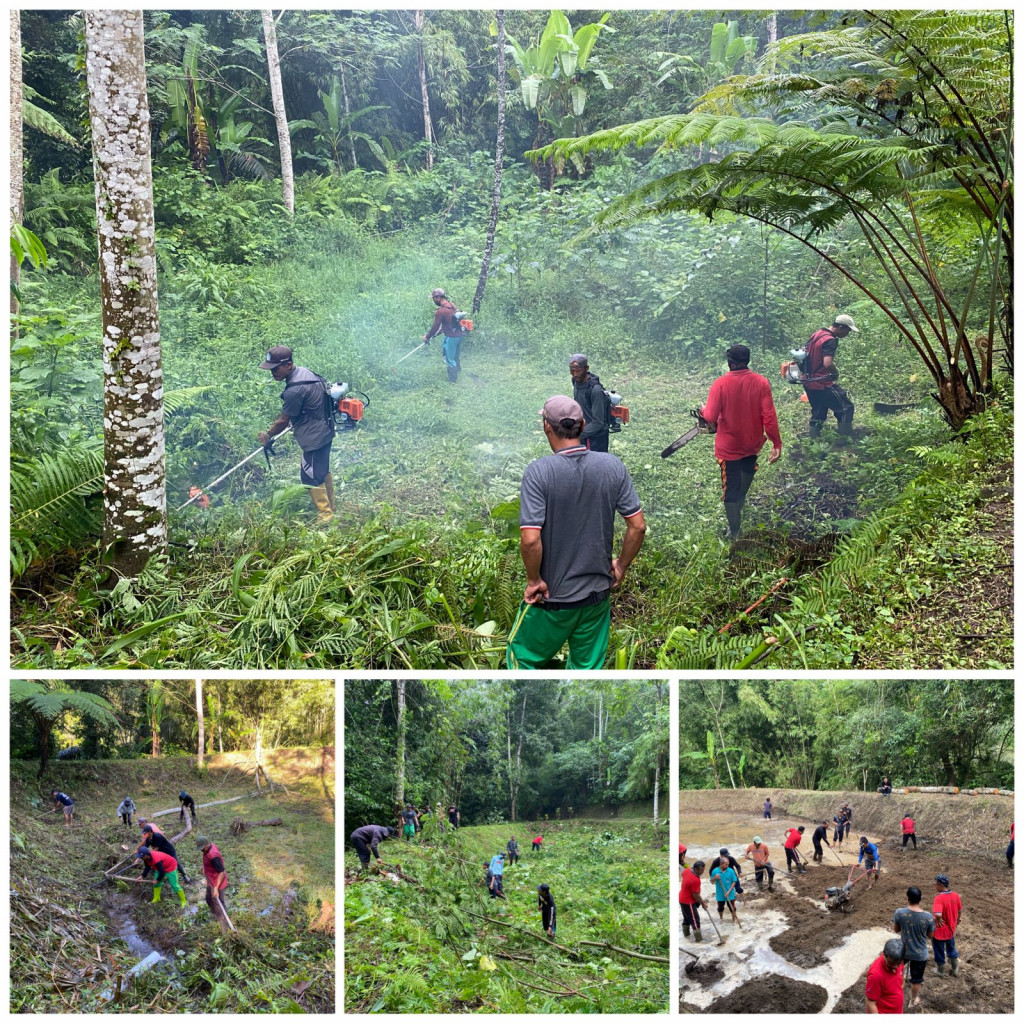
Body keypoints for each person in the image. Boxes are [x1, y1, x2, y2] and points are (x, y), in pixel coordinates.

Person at [506, 395, 646, 670]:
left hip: (552, 600)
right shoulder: (612, 466)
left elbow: (531, 539)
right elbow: (638, 525)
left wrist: (534, 580)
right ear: (582, 425)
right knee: (586, 670)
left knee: (520, 658)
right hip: (596, 598)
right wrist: (622, 565)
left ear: (547, 426)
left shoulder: (539, 472)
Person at [698, 343, 782, 539]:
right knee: (745, 476)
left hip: (730, 448)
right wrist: (776, 443)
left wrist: (702, 410)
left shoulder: (720, 384)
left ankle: (734, 531)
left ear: (729, 363)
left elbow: (710, 416)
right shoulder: (761, 382)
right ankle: (738, 512)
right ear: (747, 361)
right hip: (752, 445)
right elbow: (769, 416)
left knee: (731, 492)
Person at [258, 345, 336, 520]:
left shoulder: (294, 390)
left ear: (288, 365)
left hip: (314, 437)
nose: (273, 373)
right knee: (322, 470)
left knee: (309, 476)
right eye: (271, 369)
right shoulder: (305, 372)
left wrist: (268, 435)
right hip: (325, 429)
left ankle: (326, 517)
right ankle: (332, 507)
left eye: (276, 368)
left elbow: (283, 422)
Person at [801, 314, 857, 438]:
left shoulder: (818, 334)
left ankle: (814, 441)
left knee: (818, 412)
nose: (847, 333)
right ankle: (845, 440)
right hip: (821, 383)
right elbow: (827, 363)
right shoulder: (829, 340)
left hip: (808, 381)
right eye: (847, 330)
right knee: (846, 408)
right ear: (841, 327)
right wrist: (835, 372)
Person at [892, 885, 934, 1008]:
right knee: (917, 980)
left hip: (903, 951)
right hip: (920, 954)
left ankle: (895, 994)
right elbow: (930, 936)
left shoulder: (899, 913)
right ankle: (912, 1001)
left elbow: (896, 930)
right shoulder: (928, 917)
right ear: (920, 899)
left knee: (896, 972)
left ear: (907, 898)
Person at [568, 354, 611, 452]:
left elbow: (598, 422)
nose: (575, 374)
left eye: (578, 370)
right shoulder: (575, 381)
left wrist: (577, 435)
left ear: (586, 368)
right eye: (572, 371)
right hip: (584, 433)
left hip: (596, 439)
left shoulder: (596, 391)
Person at [422, 288, 466, 383]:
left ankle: (453, 380)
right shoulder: (452, 305)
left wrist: (427, 337)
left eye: (433, 298)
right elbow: (450, 322)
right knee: (455, 355)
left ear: (438, 297)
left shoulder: (441, 311)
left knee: (449, 359)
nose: (433, 300)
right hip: (459, 336)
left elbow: (435, 327)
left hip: (451, 337)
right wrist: (438, 332)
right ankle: (458, 370)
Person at [196, 836, 231, 932]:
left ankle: (225, 928)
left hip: (217, 882)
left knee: (219, 905)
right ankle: (215, 914)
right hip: (211, 879)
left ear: (207, 844)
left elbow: (222, 873)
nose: (202, 850)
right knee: (208, 898)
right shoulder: (207, 848)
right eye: (200, 849)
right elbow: (205, 857)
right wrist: (205, 867)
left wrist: (216, 888)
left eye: (203, 848)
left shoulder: (213, 855)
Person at [931, 875, 962, 977]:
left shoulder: (939, 898)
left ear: (940, 885)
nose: (935, 886)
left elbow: (938, 914)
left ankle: (940, 971)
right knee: (951, 948)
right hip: (951, 929)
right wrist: (957, 919)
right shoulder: (955, 895)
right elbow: (959, 909)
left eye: (936, 884)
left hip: (940, 930)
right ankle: (955, 969)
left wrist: (937, 919)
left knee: (939, 950)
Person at [865, 937, 906, 1014]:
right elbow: (870, 1004)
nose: (895, 967)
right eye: (891, 964)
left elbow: (901, 980)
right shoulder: (875, 975)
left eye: (898, 964)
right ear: (884, 955)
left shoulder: (897, 960)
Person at [680, 860, 708, 942]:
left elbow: (683, 875)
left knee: (687, 918)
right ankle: (699, 940)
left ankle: (686, 936)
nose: (703, 872)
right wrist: (703, 904)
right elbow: (695, 895)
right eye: (701, 870)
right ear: (696, 869)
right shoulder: (695, 880)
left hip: (682, 898)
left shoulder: (687, 870)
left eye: (703, 870)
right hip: (688, 901)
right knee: (695, 920)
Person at [710, 855, 739, 921]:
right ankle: (721, 919)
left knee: (732, 908)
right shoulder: (715, 871)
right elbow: (711, 881)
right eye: (726, 865)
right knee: (720, 908)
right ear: (721, 864)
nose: (727, 866)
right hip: (720, 893)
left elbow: (734, 881)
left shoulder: (731, 871)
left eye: (728, 864)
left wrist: (728, 892)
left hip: (730, 893)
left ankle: (733, 920)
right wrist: (715, 878)